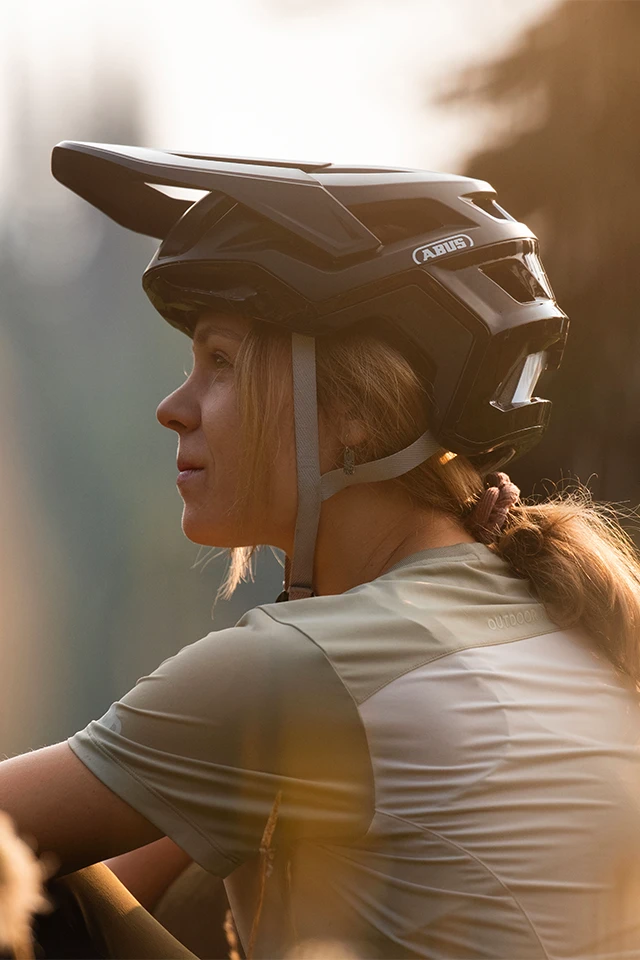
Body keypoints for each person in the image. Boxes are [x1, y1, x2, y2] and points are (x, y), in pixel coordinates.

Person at [2, 141, 640, 960]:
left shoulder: (305, 666)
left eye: (221, 363)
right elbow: (130, 863)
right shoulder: (557, 617)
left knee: (27, 868)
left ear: (356, 416)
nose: (174, 407)